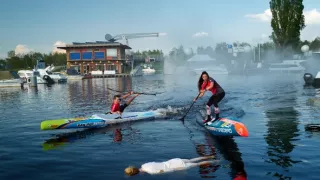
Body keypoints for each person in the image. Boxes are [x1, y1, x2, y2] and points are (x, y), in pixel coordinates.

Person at [124, 156, 219, 176]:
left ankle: (214, 161)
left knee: (197, 164)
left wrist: (179, 170)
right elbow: (154, 163)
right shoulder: (144, 165)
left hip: (176, 167)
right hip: (173, 160)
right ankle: (209, 156)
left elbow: (168, 171)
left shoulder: (151, 173)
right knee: (192, 159)